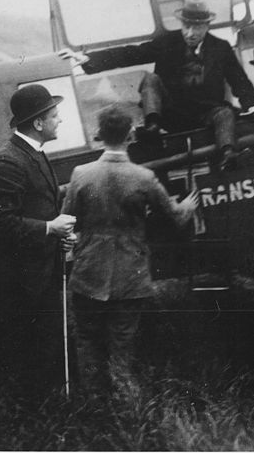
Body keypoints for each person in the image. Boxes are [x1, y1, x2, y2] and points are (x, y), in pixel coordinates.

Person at [62, 106, 198, 392]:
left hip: (88, 273)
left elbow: (67, 221)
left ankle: (92, 404)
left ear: (98, 135)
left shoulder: (81, 174)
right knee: (122, 345)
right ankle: (126, 405)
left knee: (87, 341)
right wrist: (188, 205)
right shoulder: (143, 177)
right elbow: (177, 217)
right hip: (129, 275)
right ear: (130, 135)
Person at [59, 0, 254, 171]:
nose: (190, 33)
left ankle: (229, 154)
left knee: (225, 113)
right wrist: (88, 59)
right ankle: (152, 125)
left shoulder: (221, 48)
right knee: (150, 79)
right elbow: (131, 54)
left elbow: (240, 82)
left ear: (207, 26)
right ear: (181, 24)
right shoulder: (167, 43)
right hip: (171, 114)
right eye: (186, 26)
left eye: (197, 27)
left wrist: (252, 107)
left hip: (205, 114)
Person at [0, 84, 77, 395]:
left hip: (36, 269)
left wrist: (58, 237)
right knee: (25, 350)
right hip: (15, 278)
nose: (60, 121)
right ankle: (30, 413)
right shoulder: (8, 161)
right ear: (38, 123)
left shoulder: (33, 154)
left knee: (44, 344)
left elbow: (41, 207)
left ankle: (48, 406)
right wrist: (50, 229)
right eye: (55, 116)